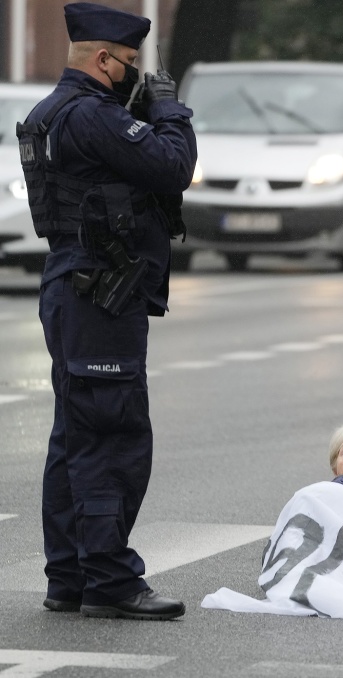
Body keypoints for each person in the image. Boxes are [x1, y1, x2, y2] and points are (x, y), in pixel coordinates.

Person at [18, 3, 196, 620]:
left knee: (74, 437)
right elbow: (174, 168)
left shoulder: (54, 111)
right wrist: (170, 110)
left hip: (74, 286)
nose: (134, 76)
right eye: (127, 64)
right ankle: (112, 581)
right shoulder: (93, 116)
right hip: (100, 297)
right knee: (111, 438)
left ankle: (69, 576)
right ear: (103, 60)